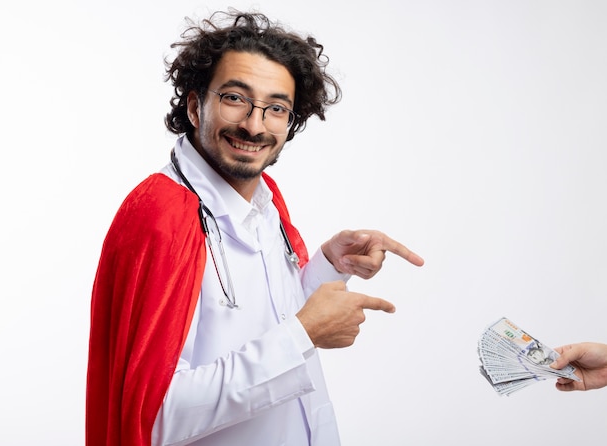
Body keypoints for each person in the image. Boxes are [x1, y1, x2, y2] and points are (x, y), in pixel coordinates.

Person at [86, 10, 424, 446]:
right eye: (234, 98)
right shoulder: (160, 217)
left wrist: (327, 266)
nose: (254, 124)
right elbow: (154, 416)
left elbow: (261, 318)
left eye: (276, 108)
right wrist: (303, 334)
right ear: (194, 105)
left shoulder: (265, 197)